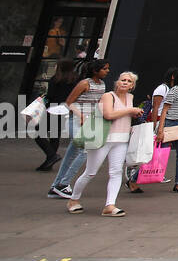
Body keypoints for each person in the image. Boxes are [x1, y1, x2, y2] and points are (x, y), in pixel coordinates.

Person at [67, 71, 144, 216]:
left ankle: (110, 205)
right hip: (103, 138)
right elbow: (108, 115)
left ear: (132, 86)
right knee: (90, 172)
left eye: (128, 81)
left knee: (116, 172)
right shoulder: (108, 96)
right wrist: (130, 110)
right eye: (122, 80)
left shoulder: (130, 97)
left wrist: (133, 113)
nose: (125, 82)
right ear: (117, 82)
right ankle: (73, 200)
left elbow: (123, 114)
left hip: (121, 139)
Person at [48, 59, 110, 199]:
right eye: (105, 69)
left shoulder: (102, 85)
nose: (107, 71)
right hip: (74, 121)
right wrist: (80, 115)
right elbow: (68, 102)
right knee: (84, 150)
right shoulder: (84, 83)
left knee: (71, 154)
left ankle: (55, 186)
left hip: (87, 122)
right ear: (96, 70)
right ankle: (63, 184)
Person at [127, 69, 178, 194]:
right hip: (158, 120)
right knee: (154, 150)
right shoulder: (162, 89)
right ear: (173, 77)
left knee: (161, 150)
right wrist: (155, 125)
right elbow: (155, 107)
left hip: (165, 120)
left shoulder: (172, 89)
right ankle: (135, 176)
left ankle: (151, 174)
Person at [36, 59, 79, 172]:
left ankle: (51, 156)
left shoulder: (56, 79)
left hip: (54, 108)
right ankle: (49, 162)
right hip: (67, 108)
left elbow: (51, 95)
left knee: (37, 132)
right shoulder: (75, 79)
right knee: (55, 135)